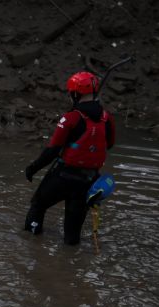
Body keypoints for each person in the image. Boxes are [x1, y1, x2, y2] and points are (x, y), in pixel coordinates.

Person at [23, 70, 116, 245]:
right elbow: (109, 144)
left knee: (38, 205)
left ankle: (31, 246)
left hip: (63, 177)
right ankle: (71, 260)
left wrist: (32, 169)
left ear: (74, 94)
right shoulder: (106, 118)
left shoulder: (70, 118)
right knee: (72, 235)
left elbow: (52, 151)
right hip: (88, 181)